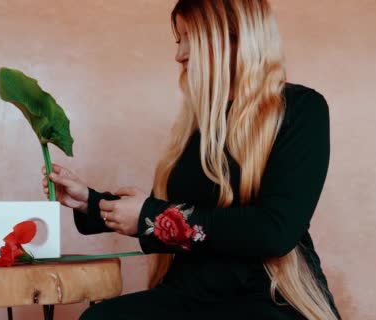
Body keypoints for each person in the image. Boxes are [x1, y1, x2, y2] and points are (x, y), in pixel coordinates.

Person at [40, 0, 341, 319]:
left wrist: (151, 216)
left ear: (233, 38)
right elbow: (170, 210)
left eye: (189, 38)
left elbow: (275, 230)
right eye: (178, 40)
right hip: (191, 293)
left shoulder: (302, 110)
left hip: (268, 298)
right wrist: (89, 201)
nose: (179, 54)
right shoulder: (197, 125)